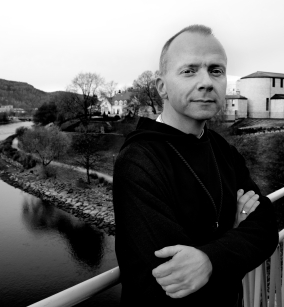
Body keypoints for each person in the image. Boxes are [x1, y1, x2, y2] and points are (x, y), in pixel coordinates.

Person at [113, 25, 278, 307]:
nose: (206, 82)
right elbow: (176, 280)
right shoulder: (140, 160)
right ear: (162, 87)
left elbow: (266, 229)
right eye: (189, 71)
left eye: (216, 70)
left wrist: (209, 259)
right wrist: (235, 231)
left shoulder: (221, 148)